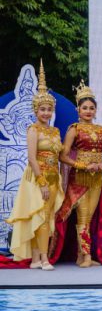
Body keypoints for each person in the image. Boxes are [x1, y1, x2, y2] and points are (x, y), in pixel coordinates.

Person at [4, 61, 65, 270]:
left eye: (49, 109)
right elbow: (31, 157)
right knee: (40, 216)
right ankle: (44, 259)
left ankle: (37, 258)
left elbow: (60, 155)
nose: (46, 113)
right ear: (36, 110)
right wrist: (42, 182)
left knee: (46, 217)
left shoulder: (55, 132)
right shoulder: (33, 130)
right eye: (42, 109)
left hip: (54, 177)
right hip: (38, 178)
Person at [54, 80, 102, 267]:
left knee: (89, 217)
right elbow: (63, 156)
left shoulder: (101, 130)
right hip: (79, 178)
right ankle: (86, 256)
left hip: (96, 179)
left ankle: (82, 255)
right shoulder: (74, 129)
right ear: (78, 110)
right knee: (82, 216)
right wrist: (82, 165)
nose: (88, 111)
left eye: (91, 108)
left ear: (96, 111)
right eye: (85, 108)